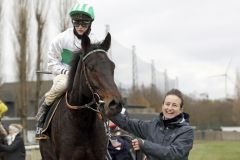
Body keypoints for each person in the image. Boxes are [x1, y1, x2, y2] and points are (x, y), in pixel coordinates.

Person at [35, 2, 96, 139]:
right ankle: (43, 114)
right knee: (62, 85)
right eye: (77, 23)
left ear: (90, 24)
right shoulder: (62, 39)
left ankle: (107, 128)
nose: (80, 27)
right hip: (64, 75)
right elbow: (52, 61)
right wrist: (67, 72)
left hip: (86, 77)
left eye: (84, 24)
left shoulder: (94, 40)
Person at [109, 89, 194, 160]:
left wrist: (144, 144)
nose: (169, 108)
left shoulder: (187, 131)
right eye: (167, 104)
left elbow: (173, 154)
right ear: (162, 106)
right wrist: (108, 110)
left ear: (181, 109)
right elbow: (127, 123)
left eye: (174, 105)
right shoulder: (152, 125)